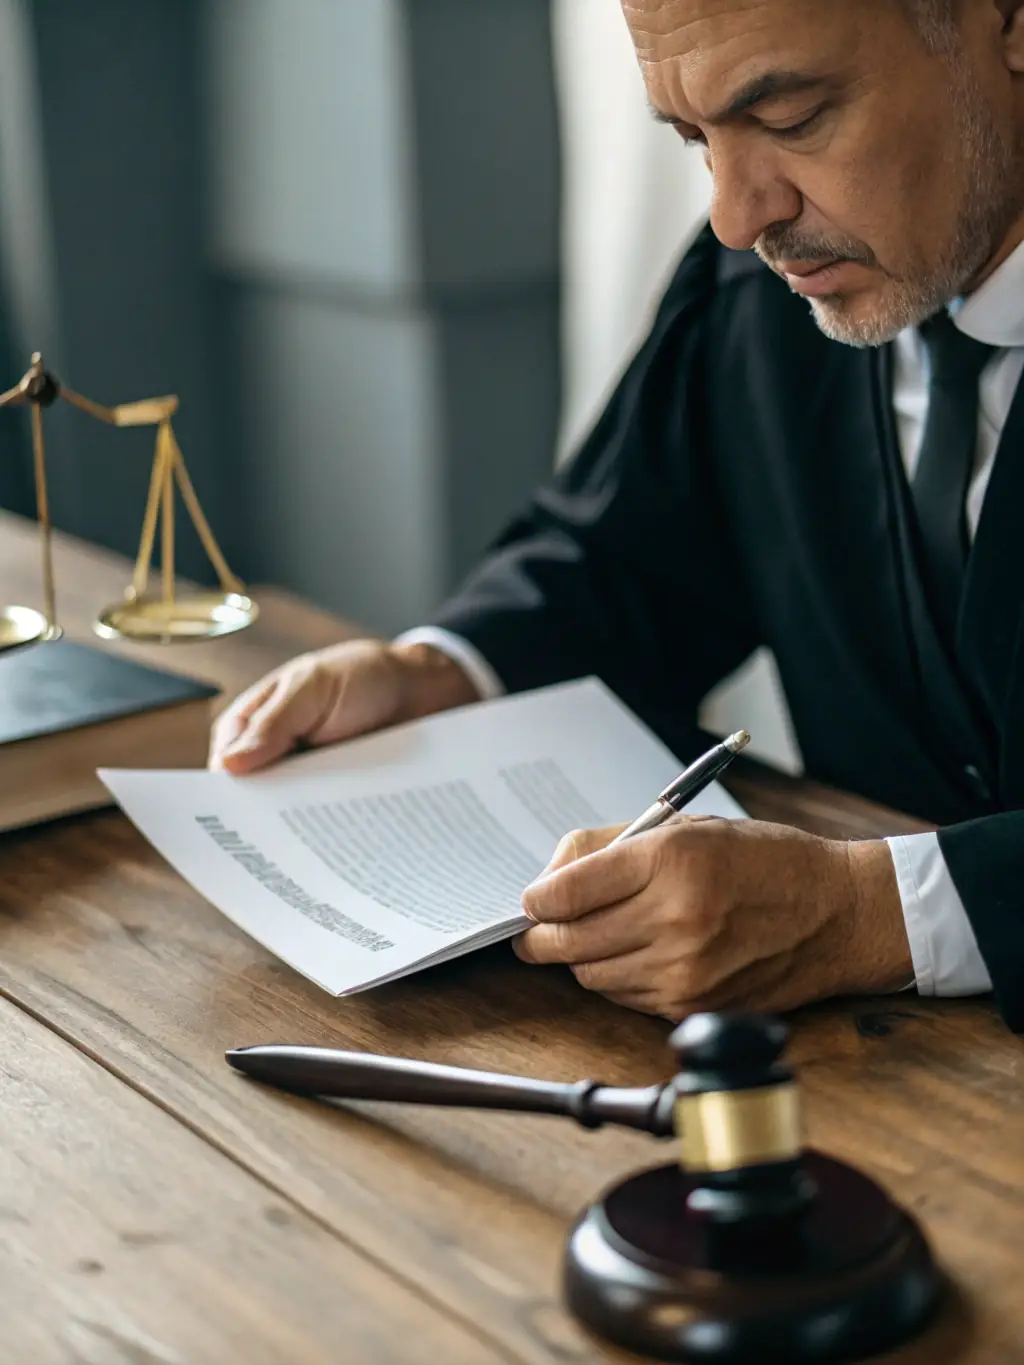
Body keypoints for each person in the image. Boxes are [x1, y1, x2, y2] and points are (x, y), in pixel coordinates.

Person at [209, 0, 1024, 1031]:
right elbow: (629, 562)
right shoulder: (764, 281)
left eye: (788, 119)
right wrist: (444, 672)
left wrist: (877, 914)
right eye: (694, 139)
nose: (736, 215)